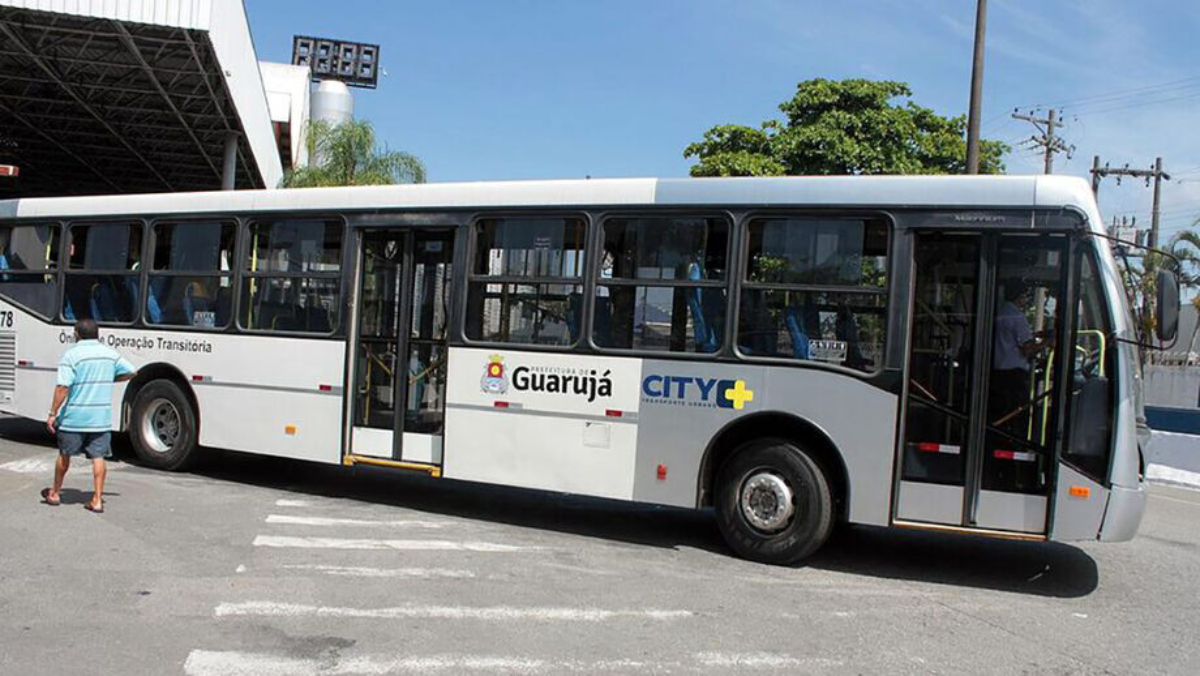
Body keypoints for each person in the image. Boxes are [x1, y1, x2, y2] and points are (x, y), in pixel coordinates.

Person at [41, 319, 136, 513]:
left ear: (77, 334)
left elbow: (63, 387)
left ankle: (55, 493)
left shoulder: (71, 355)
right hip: (100, 419)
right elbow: (132, 371)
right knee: (98, 457)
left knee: (64, 455)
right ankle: (97, 499)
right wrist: (111, 378)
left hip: (73, 418)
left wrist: (52, 413)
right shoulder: (110, 354)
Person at [990, 283, 1051, 435]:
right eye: (1025, 297)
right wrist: (1048, 342)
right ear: (1020, 297)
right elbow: (1028, 349)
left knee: (998, 412)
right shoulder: (1017, 316)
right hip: (1015, 375)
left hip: (996, 373)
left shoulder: (999, 313)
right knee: (1018, 414)